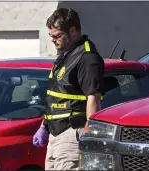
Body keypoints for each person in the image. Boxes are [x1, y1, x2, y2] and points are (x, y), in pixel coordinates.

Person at [32, 8, 105, 170]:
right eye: (51, 35)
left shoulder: (87, 58)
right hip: (55, 133)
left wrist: (90, 131)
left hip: (72, 133)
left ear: (72, 31)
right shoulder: (66, 56)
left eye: (57, 35)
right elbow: (58, 96)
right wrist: (44, 126)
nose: (53, 40)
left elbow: (94, 96)